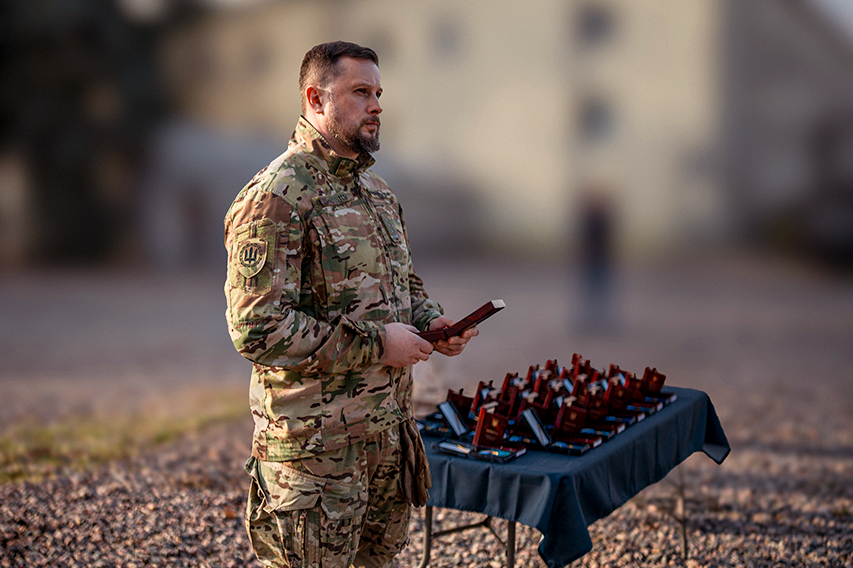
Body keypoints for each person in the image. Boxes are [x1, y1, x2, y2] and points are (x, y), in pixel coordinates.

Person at [223, 41, 477, 568]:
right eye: (361, 92)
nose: (377, 105)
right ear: (316, 99)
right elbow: (257, 327)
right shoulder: (277, 196)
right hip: (317, 457)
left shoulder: (377, 193)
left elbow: (404, 285)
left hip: (387, 439)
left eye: (379, 92)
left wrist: (433, 324)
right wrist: (380, 344)